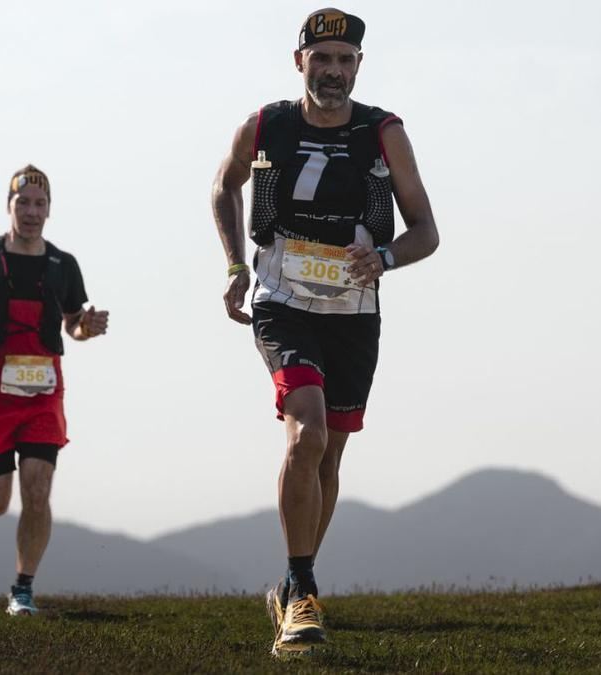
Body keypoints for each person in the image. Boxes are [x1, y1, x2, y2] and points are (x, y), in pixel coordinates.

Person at [211, 8, 439, 655]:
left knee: (330, 454)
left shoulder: (383, 133)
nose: (333, 71)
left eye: (345, 61)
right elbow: (223, 188)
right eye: (322, 59)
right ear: (299, 61)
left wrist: (386, 256)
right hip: (282, 303)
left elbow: (426, 227)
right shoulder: (267, 126)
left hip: (353, 316)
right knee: (305, 432)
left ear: (358, 67)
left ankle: (292, 582)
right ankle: (303, 591)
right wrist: (233, 263)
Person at [0, 165, 109, 616]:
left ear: (50, 209)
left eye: (40, 203)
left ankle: (23, 589)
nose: (32, 212)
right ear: (9, 206)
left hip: (43, 388)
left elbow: (73, 324)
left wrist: (87, 327)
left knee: (37, 490)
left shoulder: (63, 265)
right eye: (23, 203)